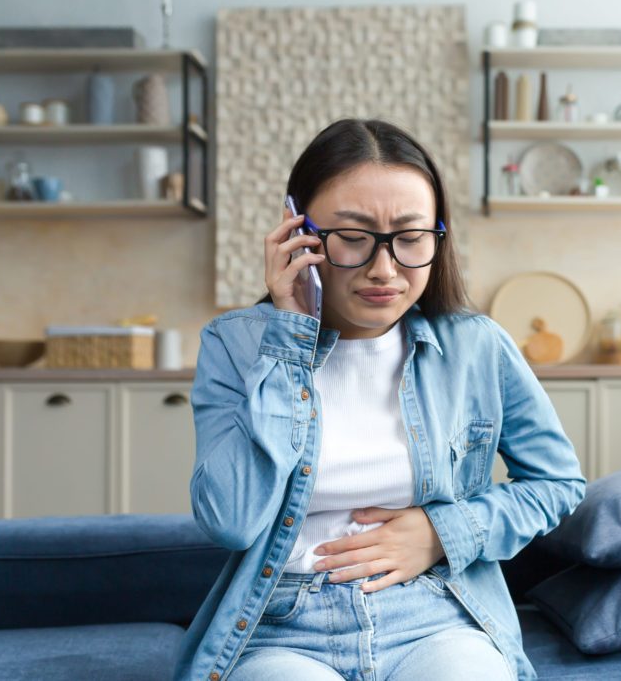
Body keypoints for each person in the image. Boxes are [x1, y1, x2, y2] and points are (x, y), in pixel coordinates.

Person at [173, 118, 586, 681]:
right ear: (299, 230)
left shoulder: (477, 347)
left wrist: (444, 533)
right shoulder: (237, 345)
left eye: (411, 238)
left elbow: (557, 484)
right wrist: (291, 342)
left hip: (435, 614)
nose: (384, 269)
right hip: (280, 628)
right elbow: (232, 521)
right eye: (353, 236)